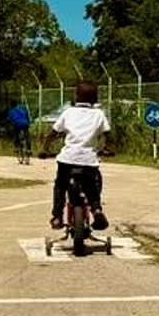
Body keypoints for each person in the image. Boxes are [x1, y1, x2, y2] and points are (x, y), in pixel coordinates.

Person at [39, 80, 112, 231]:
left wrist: (44, 149)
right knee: (92, 186)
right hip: (88, 161)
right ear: (95, 99)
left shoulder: (68, 112)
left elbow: (53, 133)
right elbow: (107, 134)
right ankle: (97, 209)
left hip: (67, 159)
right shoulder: (99, 114)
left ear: (76, 96)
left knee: (60, 186)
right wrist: (107, 148)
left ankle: (58, 216)